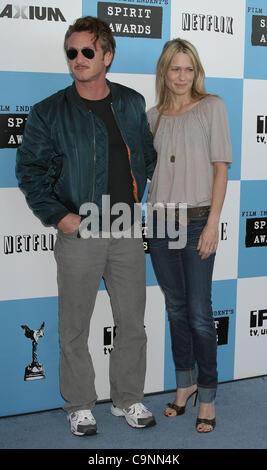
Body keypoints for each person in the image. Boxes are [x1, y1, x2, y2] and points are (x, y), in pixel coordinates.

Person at [16, 16, 157, 436]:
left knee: (132, 321)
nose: (78, 59)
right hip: (80, 232)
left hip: (126, 227)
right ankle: (79, 404)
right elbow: (30, 172)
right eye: (72, 52)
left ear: (107, 56)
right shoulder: (48, 112)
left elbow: (146, 156)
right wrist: (62, 217)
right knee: (74, 325)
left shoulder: (131, 103)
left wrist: (136, 201)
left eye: (87, 52)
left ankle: (128, 398)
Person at [146, 38, 232, 433]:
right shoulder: (153, 117)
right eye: (174, 69)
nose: (181, 76)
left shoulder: (211, 107)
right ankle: (185, 385)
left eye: (188, 69)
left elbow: (220, 168)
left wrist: (213, 222)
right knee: (176, 309)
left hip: (198, 221)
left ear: (196, 72)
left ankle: (209, 395)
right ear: (164, 72)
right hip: (161, 225)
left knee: (199, 312)